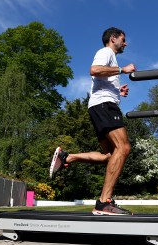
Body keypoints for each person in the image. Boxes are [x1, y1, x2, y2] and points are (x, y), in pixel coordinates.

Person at [49, 27, 136, 215]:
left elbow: (101, 79)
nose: (125, 43)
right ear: (113, 39)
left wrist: (117, 91)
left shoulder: (110, 57)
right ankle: (104, 203)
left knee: (109, 155)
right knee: (124, 148)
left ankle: (68, 157)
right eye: (123, 39)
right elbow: (95, 70)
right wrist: (123, 69)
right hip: (104, 106)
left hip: (102, 104)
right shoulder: (106, 52)